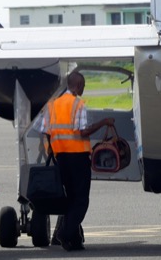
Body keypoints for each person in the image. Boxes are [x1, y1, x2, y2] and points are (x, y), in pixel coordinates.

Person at [40, 70, 114, 251]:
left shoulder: (52, 105)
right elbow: (82, 131)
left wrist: (53, 152)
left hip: (61, 158)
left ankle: (72, 240)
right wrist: (104, 122)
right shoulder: (78, 104)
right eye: (84, 86)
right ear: (79, 85)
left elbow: (45, 131)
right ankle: (64, 233)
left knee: (70, 198)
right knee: (81, 201)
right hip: (79, 157)